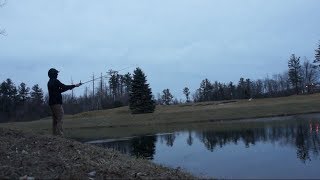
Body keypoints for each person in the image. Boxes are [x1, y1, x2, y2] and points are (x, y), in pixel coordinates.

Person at [47, 68, 81, 136]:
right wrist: (74, 85)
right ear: (53, 74)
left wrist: (71, 87)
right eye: (56, 73)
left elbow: (60, 90)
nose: (57, 74)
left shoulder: (50, 82)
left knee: (55, 119)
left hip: (52, 103)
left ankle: (55, 135)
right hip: (57, 103)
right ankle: (59, 134)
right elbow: (64, 86)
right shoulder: (55, 81)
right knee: (60, 117)